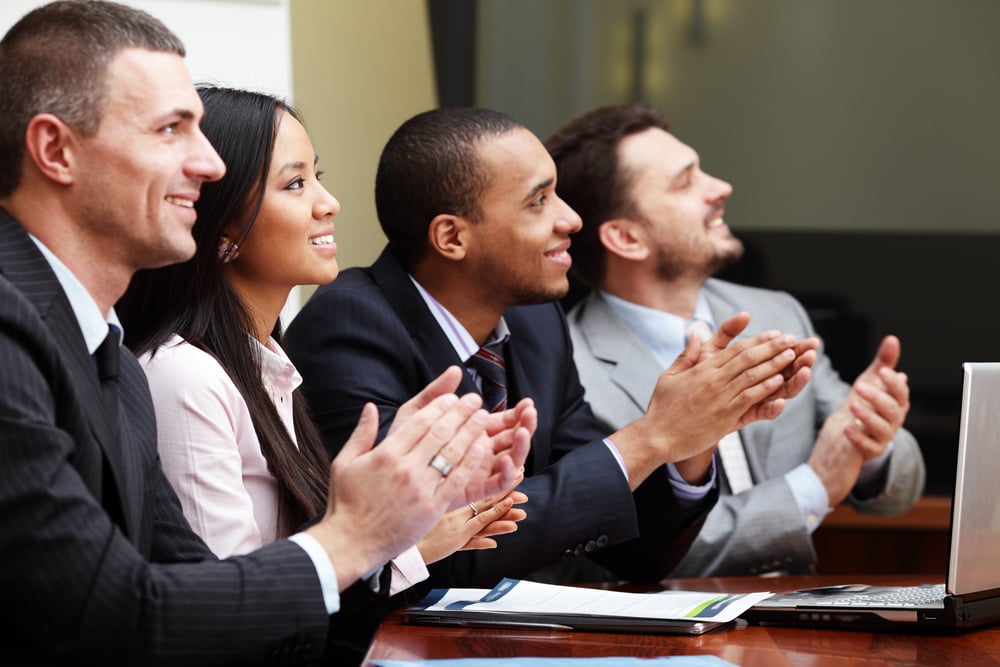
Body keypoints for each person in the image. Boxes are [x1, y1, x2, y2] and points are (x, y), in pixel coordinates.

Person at [0, 2, 527, 664]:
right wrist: (357, 531)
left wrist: (400, 513)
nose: (210, 164)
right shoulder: (19, 329)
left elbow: (197, 593)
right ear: (55, 150)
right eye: (171, 129)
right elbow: (112, 616)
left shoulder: (114, 359)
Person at [284, 106, 820, 588]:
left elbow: (636, 553)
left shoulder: (537, 323)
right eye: (539, 201)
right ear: (451, 238)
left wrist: (696, 437)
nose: (572, 220)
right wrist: (652, 437)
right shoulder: (351, 325)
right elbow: (433, 555)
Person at [118, 85, 526, 592]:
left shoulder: (264, 362)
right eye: (295, 184)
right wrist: (379, 529)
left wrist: (417, 529)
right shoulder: (185, 376)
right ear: (223, 227)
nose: (328, 203)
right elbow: (232, 607)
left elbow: (290, 587)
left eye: (318, 177)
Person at [545, 103, 925, 577]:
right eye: (686, 182)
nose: (721, 188)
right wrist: (815, 486)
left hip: (799, 635)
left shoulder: (776, 312)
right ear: (626, 237)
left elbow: (897, 493)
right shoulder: (572, 372)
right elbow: (650, 549)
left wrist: (873, 441)